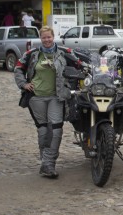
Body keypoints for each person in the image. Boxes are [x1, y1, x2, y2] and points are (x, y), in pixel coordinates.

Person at [14, 26, 83, 178]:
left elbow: (81, 64)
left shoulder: (64, 53)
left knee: (56, 130)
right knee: (44, 130)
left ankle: (49, 163)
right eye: (44, 37)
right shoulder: (32, 54)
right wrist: (24, 84)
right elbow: (18, 68)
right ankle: (45, 162)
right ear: (40, 38)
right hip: (36, 97)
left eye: (49, 37)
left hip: (56, 97)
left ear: (53, 37)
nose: (46, 40)